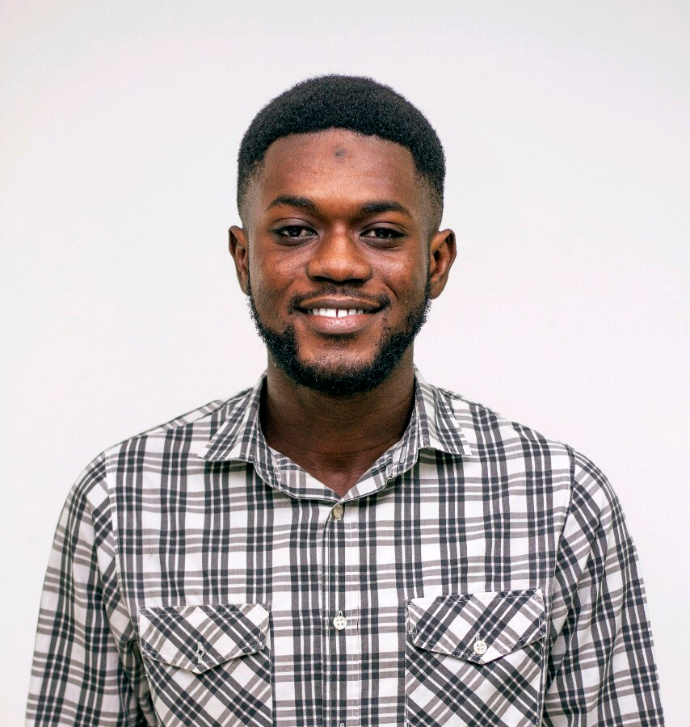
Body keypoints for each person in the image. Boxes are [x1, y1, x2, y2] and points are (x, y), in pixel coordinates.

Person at [26, 75, 664, 726]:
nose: (337, 263)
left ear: (437, 261)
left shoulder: (560, 499)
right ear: (243, 258)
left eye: (381, 232)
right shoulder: (121, 500)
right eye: (295, 230)